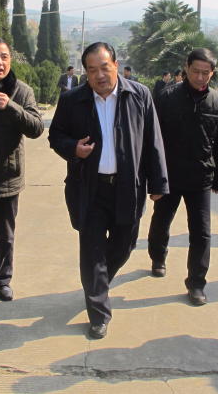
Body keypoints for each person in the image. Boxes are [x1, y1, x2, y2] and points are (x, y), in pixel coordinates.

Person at [49, 42, 168, 339]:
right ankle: (99, 313)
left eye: (104, 67)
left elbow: (153, 140)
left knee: (123, 246)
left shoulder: (139, 95)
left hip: (127, 186)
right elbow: (56, 135)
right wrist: (73, 148)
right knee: (92, 252)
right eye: (92, 70)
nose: (99, 75)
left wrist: (159, 182)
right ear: (85, 72)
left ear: (116, 65)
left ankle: (97, 284)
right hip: (88, 188)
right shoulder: (73, 99)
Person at [147, 48, 218, 305]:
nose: (200, 77)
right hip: (169, 175)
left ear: (212, 73)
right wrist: (153, 177)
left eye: (206, 73)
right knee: (161, 221)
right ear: (186, 68)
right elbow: (152, 139)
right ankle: (158, 256)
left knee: (202, 233)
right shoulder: (166, 97)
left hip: (200, 177)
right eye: (195, 71)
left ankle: (196, 283)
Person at [0, 38, 44, 301]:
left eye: (4, 57)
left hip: (7, 176)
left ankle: (2, 280)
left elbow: (36, 128)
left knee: (5, 236)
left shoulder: (21, 91)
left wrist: (11, 107)